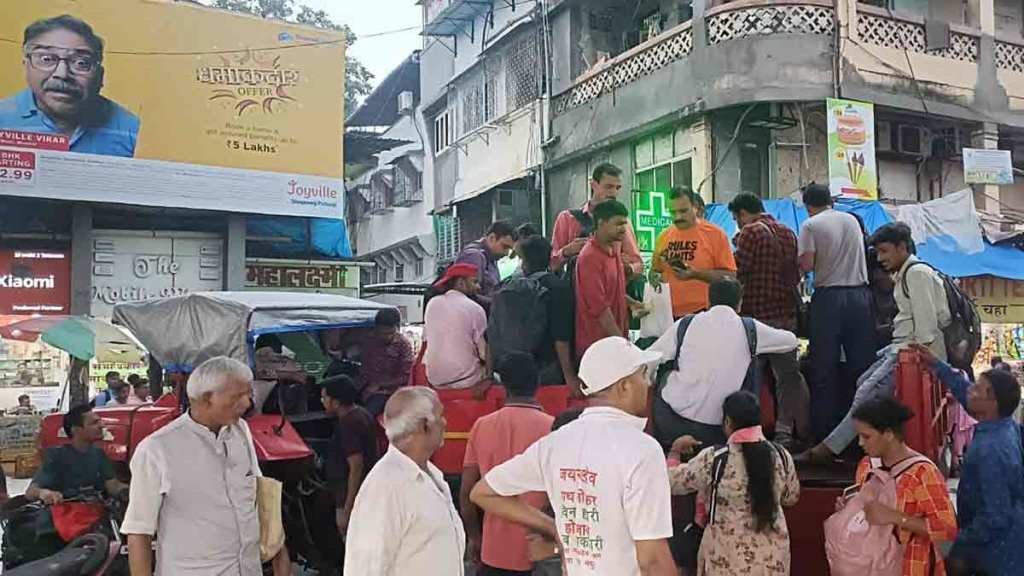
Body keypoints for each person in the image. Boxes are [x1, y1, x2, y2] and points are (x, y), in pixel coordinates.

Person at [470, 336, 678, 576]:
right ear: (624, 386)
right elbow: (652, 559)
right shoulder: (642, 450)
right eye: (643, 375)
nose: (648, 384)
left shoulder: (555, 443)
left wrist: (553, 527)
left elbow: (482, 492)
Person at [122, 356, 287, 576]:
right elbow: (138, 532)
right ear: (207, 399)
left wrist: (279, 550)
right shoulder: (157, 450)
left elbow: (259, 495)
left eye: (248, 394)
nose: (247, 404)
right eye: (237, 397)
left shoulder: (241, 432)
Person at [802, 223, 950, 462]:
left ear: (902, 247)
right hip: (899, 350)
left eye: (885, 251)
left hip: (908, 354)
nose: (880, 258)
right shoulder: (908, 274)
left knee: (865, 394)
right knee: (864, 383)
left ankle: (828, 449)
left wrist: (912, 356)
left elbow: (926, 330)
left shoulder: (916, 274)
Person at [912, 343, 1024, 576]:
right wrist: (937, 365)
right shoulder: (1001, 424)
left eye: (978, 389)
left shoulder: (992, 450)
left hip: (999, 556)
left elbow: (996, 517)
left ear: (991, 402)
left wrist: (955, 544)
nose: (969, 390)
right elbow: (964, 392)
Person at [648, 278, 800, 448]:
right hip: (721, 431)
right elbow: (791, 341)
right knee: (754, 360)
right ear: (739, 304)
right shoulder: (750, 329)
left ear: (708, 300)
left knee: (664, 377)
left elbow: (650, 357)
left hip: (672, 424)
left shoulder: (685, 324)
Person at [668, 390, 800, 576]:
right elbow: (791, 497)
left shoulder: (714, 458)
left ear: (728, 421)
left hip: (725, 561)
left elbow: (672, 482)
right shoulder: (781, 455)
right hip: (772, 561)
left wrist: (675, 452)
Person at [344, 387, 466, 575]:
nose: (445, 422)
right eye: (440, 416)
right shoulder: (386, 486)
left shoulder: (432, 475)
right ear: (423, 426)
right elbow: (365, 566)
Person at [460, 352, 555, 576]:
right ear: (537, 383)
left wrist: (475, 538)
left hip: (494, 552)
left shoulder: (481, 426)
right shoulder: (552, 429)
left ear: (503, 386)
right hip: (540, 551)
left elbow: (466, 496)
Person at [729, 193, 810, 447]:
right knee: (787, 378)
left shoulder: (750, 232)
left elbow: (737, 270)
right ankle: (786, 431)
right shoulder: (788, 232)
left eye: (737, 220)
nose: (738, 225)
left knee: (750, 376)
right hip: (785, 319)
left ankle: (751, 431)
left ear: (743, 214)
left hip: (757, 319)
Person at [798, 183, 879, 442]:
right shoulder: (852, 220)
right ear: (829, 200)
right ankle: (862, 436)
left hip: (829, 299)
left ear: (807, 205)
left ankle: (826, 437)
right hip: (860, 297)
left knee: (824, 370)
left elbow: (807, 264)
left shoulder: (810, 225)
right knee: (862, 370)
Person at [844, 396, 958, 576]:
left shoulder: (922, 473)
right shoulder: (866, 466)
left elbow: (947, 529)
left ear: (889, 434)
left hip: (913, 567)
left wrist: (895, 517)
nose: (860, 443)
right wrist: (849, 511)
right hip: (872, 567)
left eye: (866, 436)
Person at [0, 15, 139, 157]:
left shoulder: (131, 128)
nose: (62, 74)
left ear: (100, 75)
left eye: (81, 63)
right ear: (26, 67)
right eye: (46, 59)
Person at [491, 234, 579, 389]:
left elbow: (491, 332)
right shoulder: (557, 288)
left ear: (524, 262)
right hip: (547, 368)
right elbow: (561, 338)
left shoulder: (508, 287)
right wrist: (569, 376)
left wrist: (488, 374)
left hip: (512, 368)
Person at [649, 187, 737, 319]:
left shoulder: (715, 235)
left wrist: (696, 274)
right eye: (673, 212)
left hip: (704, 314)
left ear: (695, 207)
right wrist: (654, 278)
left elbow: (730, 277)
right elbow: (654, 272)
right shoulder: (663, 237)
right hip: (668, 316)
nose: (678, 217)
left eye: (683, 211)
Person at [550, 162, 644, 277]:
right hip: (575, 291)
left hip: (610, 290)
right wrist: (566, 251)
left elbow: (638, 264)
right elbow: (552, 264)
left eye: (617, 188)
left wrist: (628, 268)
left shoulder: (623, 222)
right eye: (608, 187)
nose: (614, 193)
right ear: (593, 185)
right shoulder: (568, 219)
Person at [27, 404, 126, 505]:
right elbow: (31, 492)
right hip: (63, 516)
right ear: (76, 430)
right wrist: (44, 493)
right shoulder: (57, 456)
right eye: (94, 423)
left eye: (99, 421)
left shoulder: (99, 454)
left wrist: (127, 491)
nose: (102, 425)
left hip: (94, 513)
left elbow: (111, 484)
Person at [320, 374, 381, 539]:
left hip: (350, 492)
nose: (322, 401)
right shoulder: (362, 413)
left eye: (325, 398)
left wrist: (348, 507)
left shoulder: (348, 423)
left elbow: (356, 465)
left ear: (336, 402)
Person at [574, 199, 632, 360]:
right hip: (598, 348)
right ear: (601, 223)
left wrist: (632, 303)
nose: (623, 229)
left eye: (624, 224)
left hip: (614, 343)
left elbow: (614, 291)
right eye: (618, 224)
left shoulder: (613, 251)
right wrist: (622, 344)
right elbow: (599, 307)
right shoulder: (589, 257)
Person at [423, 262, 489, 391]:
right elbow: (484, 352)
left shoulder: (432, 303)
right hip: (467, 380)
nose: (478, 287)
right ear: (460, 283)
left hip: (435, 380)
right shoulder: (474, 308)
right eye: (474, 282)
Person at [357, 307, 414, 416]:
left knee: (368, 414)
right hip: (364, 384)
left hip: (387, 392)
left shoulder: (403, 345)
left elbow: (405, 376)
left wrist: (379, 385)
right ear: (376, 329)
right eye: (382, 333)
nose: (386, 337)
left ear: (396, 328)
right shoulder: (367, 338)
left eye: (390, 333)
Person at [455, 220, 519, 306]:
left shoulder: (491, 258)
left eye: (509, 249)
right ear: (492, 238)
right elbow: (468, 294)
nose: (506, 253)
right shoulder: (474, 256)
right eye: (505, 247)